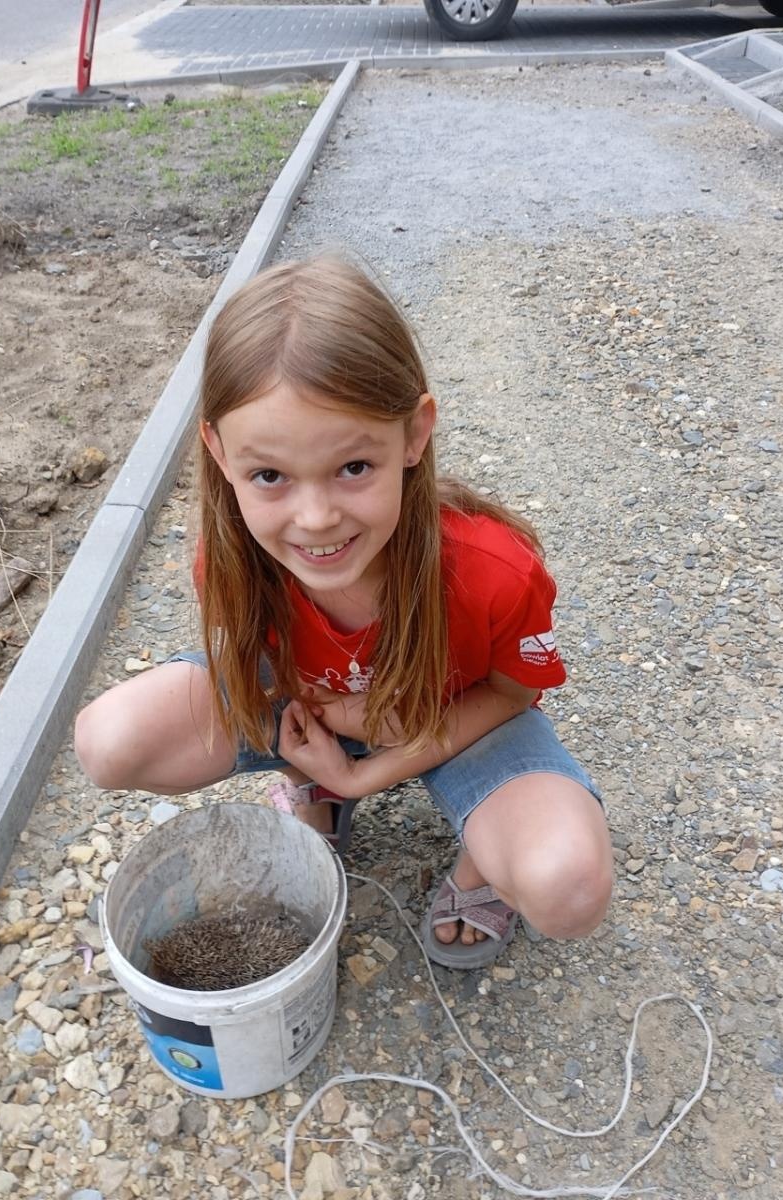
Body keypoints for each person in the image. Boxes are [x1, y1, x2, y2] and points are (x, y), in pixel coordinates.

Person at [74, 255, 613, 969]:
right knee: (108, 740)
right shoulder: (230, 558)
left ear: (414, 434)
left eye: (353, 467)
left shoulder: (496, 571)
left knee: (568, 886)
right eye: (269, 475)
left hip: (457, 717)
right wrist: (326, 738)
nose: (317, 518)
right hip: (320, 713)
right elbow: (260, 669)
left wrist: (375, 757)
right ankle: (314, 788)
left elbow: (515, 693)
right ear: (220, 454)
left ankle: (481, 866)